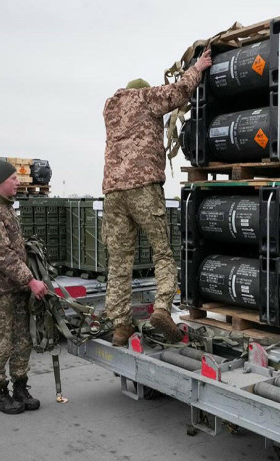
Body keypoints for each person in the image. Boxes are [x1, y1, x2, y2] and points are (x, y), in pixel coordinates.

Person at [102, 48, 212, 346]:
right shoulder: (145, 98)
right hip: (143, 187)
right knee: (162, 252)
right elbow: (177, 93)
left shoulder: (110, 108)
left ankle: (120, 327)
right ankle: (162, 308)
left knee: (119, 262)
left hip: (112, 192)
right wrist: (198, 68)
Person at [0, 158, 48, 414]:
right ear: (0, 181)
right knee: (1, 342)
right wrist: (30, 280)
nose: (18, 182)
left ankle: (20, 387)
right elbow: (1, 254)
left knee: (22, 341)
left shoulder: (4, 208)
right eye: (14, 178)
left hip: (15, 288)